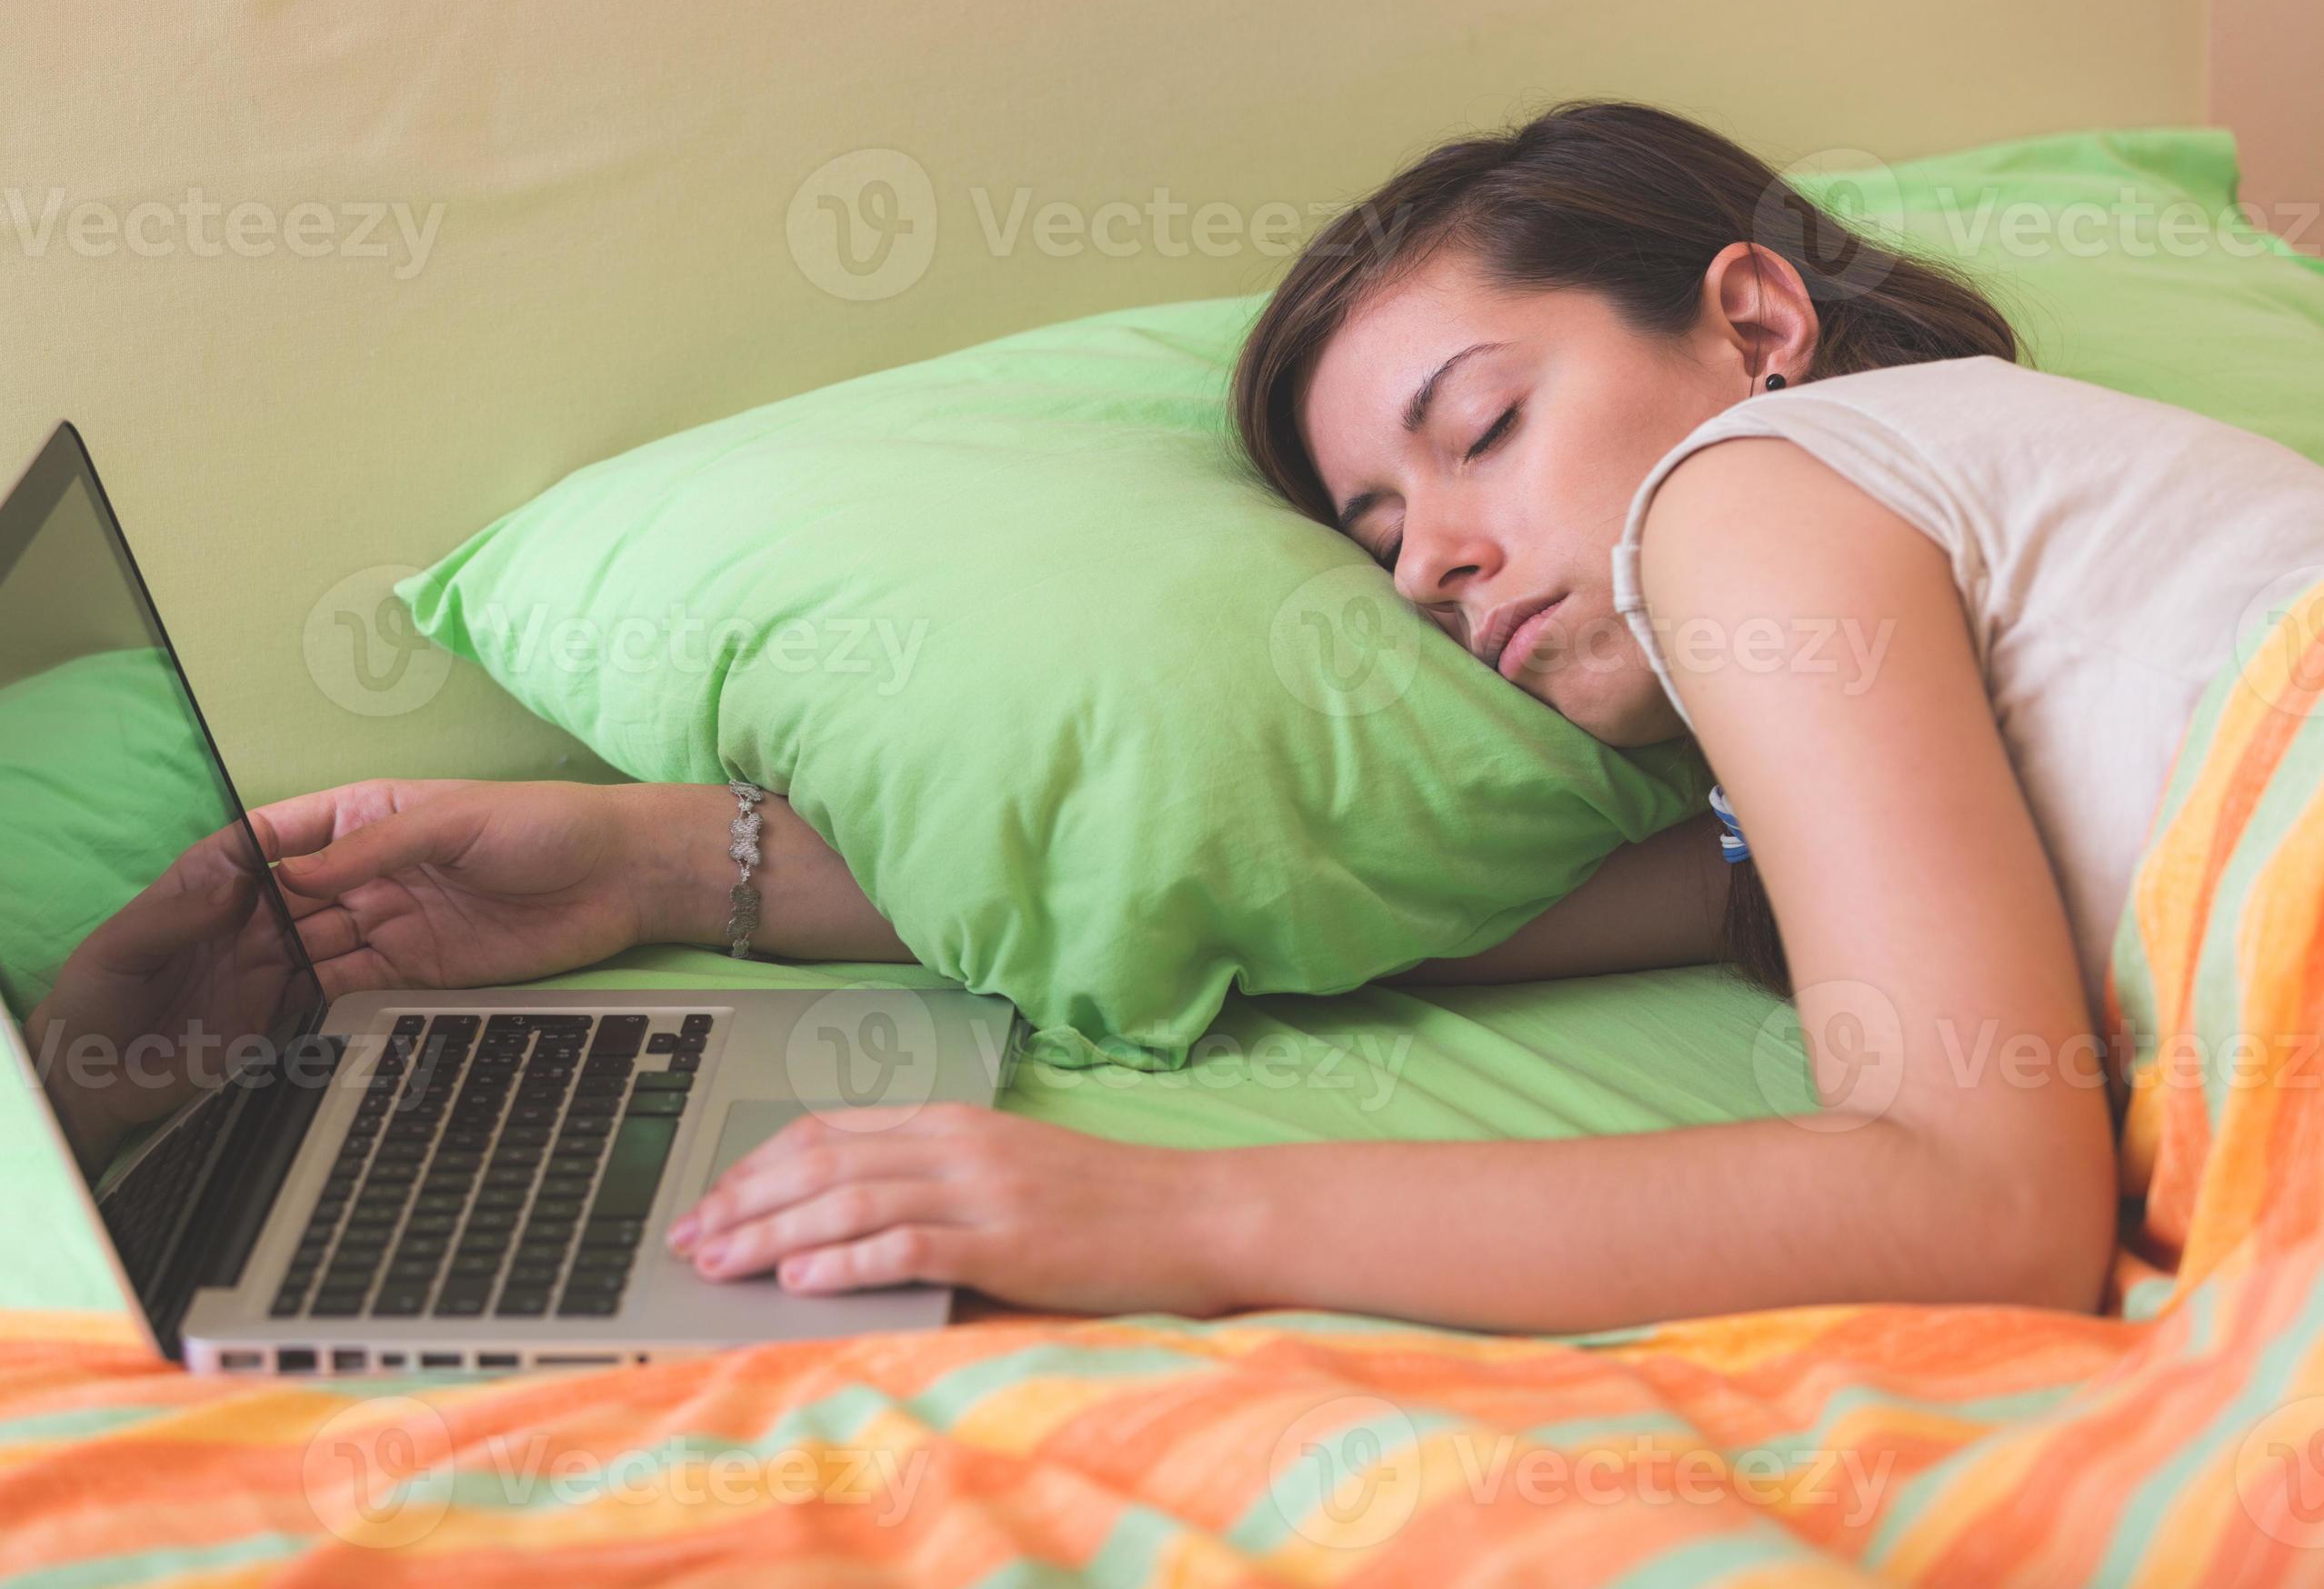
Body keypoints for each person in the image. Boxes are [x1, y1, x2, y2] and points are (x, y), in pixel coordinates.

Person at [251, 101, 2324, 1332]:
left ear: (1752, 319)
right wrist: (657, 857)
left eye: (1483, 430)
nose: (1434, 563)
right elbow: (1322, 893)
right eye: (1378, 528)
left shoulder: (1751, 496)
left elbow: (1984, 1209)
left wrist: (1168, 1214)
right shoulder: (1837, 705)